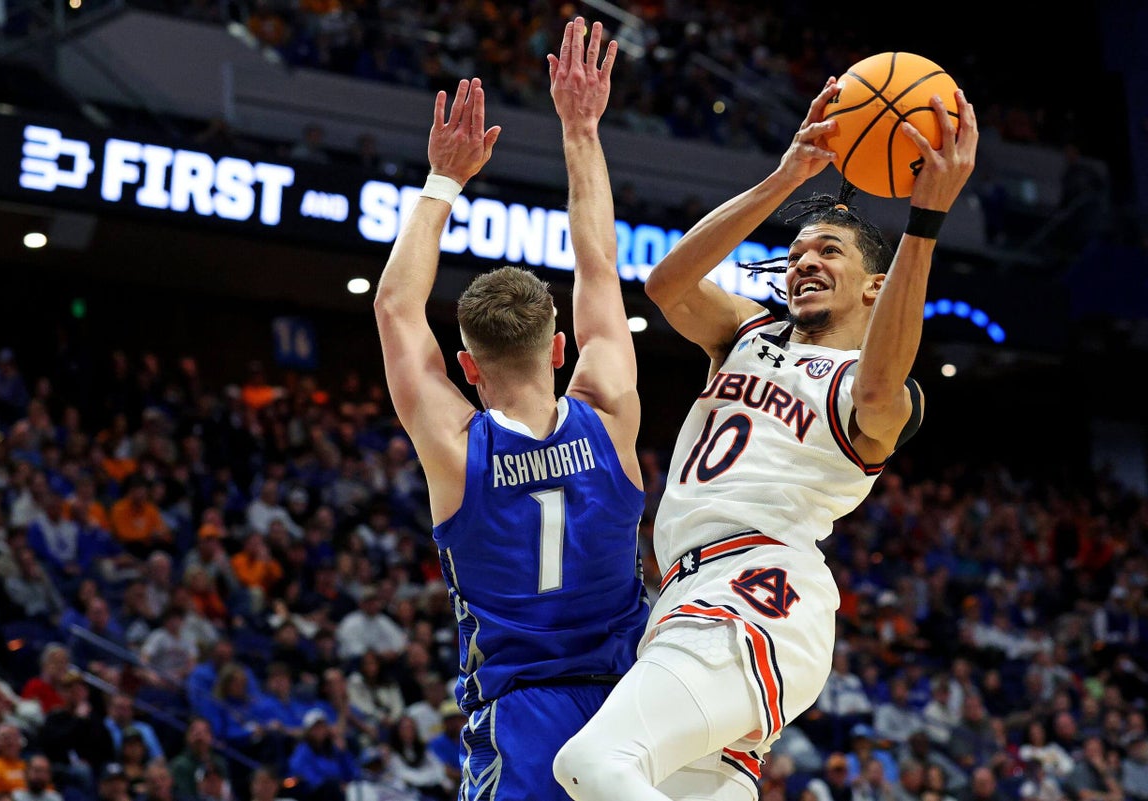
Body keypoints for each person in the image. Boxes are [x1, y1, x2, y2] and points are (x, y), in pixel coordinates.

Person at [553, 70, 978, 798]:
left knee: (592, 765)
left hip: (754, 591)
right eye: (800, 253)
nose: (806, 262)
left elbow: (879, 388)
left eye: (831, 252)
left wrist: (925, 223)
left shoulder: (870, 389)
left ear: (875, 285)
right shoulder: (746, 332)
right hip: (690, 598)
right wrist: (786, 176)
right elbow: (666, 285)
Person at [372, 17, 649, 801]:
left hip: (522, 726)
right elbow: (599, 264)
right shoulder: (611, 407)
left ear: (465, 366)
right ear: (561, 348)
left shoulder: (458, 450)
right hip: (633, 718)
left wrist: (443, 180)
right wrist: (580, 127)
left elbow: (396, 308)